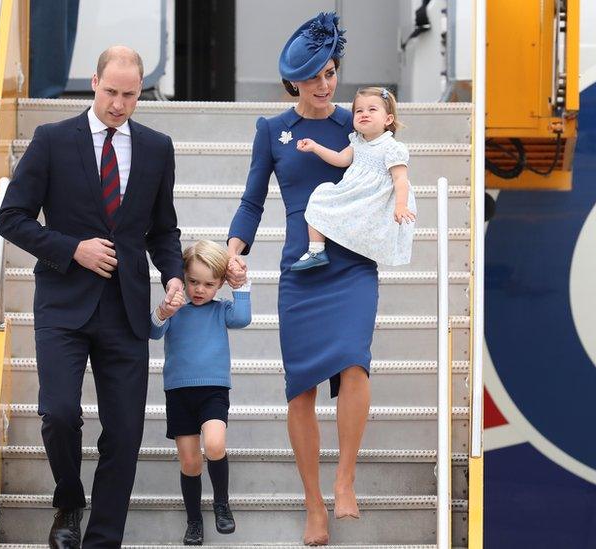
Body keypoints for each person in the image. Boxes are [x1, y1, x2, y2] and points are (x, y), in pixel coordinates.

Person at [0, 46, 191, 548]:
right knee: (59, 413)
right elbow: (10, 217)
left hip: (125, 310)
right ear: (94, 81)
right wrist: (71, 249)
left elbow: (163, 231)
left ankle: (103, 540)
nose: (119, 104)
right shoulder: (52, 140)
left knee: (124, 435)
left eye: (129, 95)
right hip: (62, 304)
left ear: (139, 90)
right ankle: (68, 502)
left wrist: (172, 276)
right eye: (110, 92)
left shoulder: (156, 147)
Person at [225, 12, 374, 546]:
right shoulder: (272, 131)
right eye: (313, 77)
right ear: (294, 82)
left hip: (353, 262)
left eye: (331, 73)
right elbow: (251, 200)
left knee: (356, 362)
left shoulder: (354, 124)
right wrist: (232, 254)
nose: (324, 85)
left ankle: (345, 480)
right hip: (300, 271)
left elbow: (387, 170)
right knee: (301, 389)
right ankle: (313, 504)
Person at [149, 240, 252, 545]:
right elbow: (153, 331)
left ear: (220, 284)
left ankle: (221, 502)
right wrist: (164, 310)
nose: (199, 289)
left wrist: (241, 282)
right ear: (182, 276)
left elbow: (243, 318)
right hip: (179, 392)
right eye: (193, 281)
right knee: (190, 462)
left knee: (216, 443)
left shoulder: (221, 310)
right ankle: (194, 519)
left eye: (208, 284)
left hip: (213, 390)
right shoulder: (176, 309)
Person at [291, 86, 416, 271]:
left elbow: (400, 179)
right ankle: (316, 250)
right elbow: (341, 159)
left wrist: (400, 205)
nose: (364, 114)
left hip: (375, 200)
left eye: (372, 110)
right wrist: (315, 147)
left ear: (388, 119)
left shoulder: (392, 148)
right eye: (359, 111)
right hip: (354, 193)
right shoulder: (357, 141)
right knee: (320, 196)